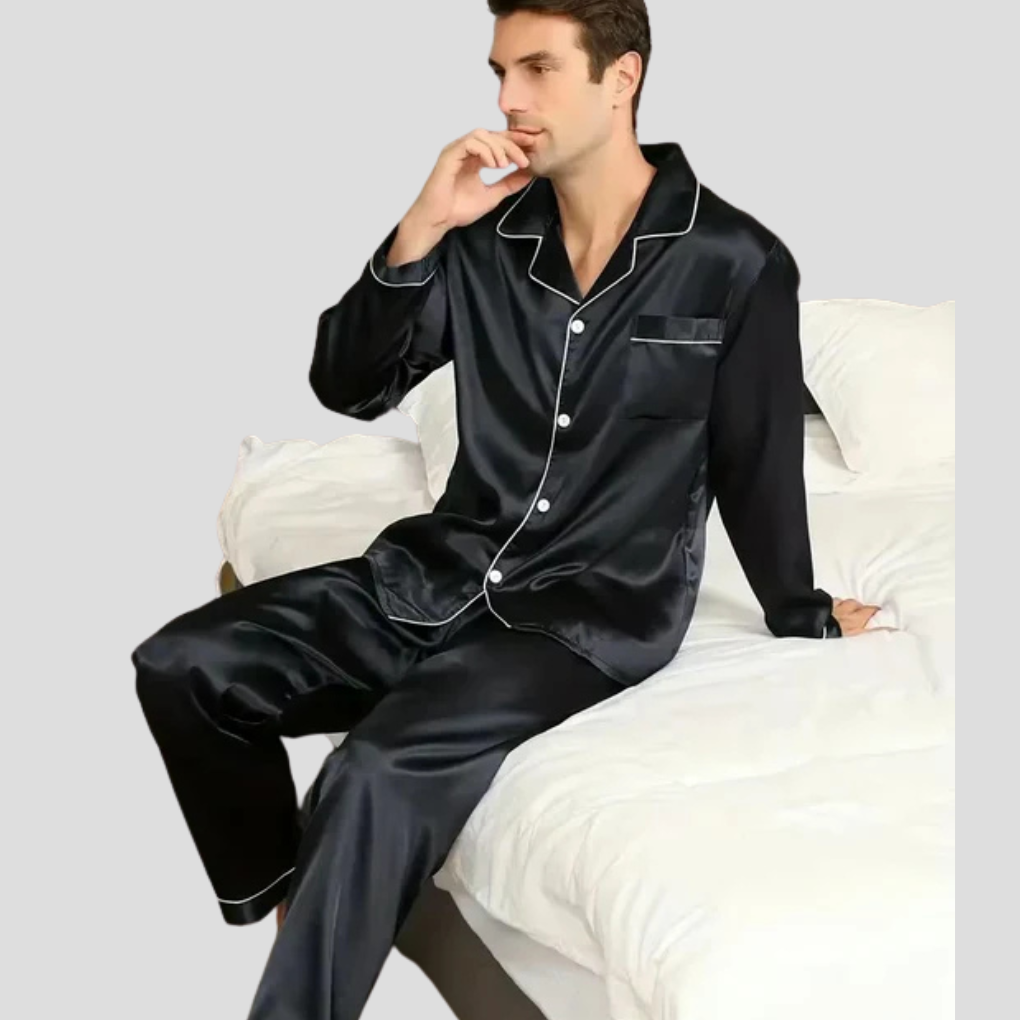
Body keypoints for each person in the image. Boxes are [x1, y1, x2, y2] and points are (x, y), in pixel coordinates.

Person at [132, 2, 882, 1017]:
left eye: (538, 69)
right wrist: (422, 227)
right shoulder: (486, 240)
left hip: (584, 616)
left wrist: (800, 608)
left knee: (377, 768)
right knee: (182, 665)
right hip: (435, 570)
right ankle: (290, 896)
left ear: (622, 78)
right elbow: (347, 386)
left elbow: (755, 458)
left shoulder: (736, 261)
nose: (508, 100)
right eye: (499, 72)